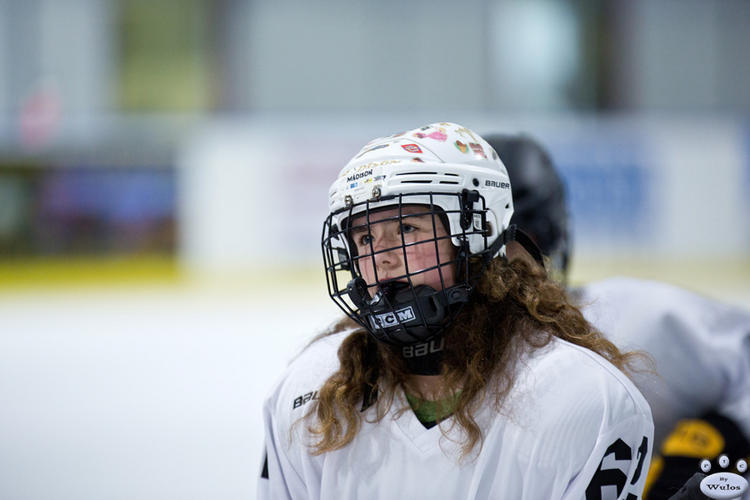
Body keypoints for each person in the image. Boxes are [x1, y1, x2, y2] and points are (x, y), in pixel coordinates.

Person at [258, 122, 653, 499]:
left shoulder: (584, 400)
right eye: (364, 237)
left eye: (405, 229)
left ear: (477, 234)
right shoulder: (311, 394)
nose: (380, 260)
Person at [485, 133, 750, 500]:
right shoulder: (439, 360)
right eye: (489, 244)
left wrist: (729, 435)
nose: (509, 263)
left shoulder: (643, 319)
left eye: (521, 239)